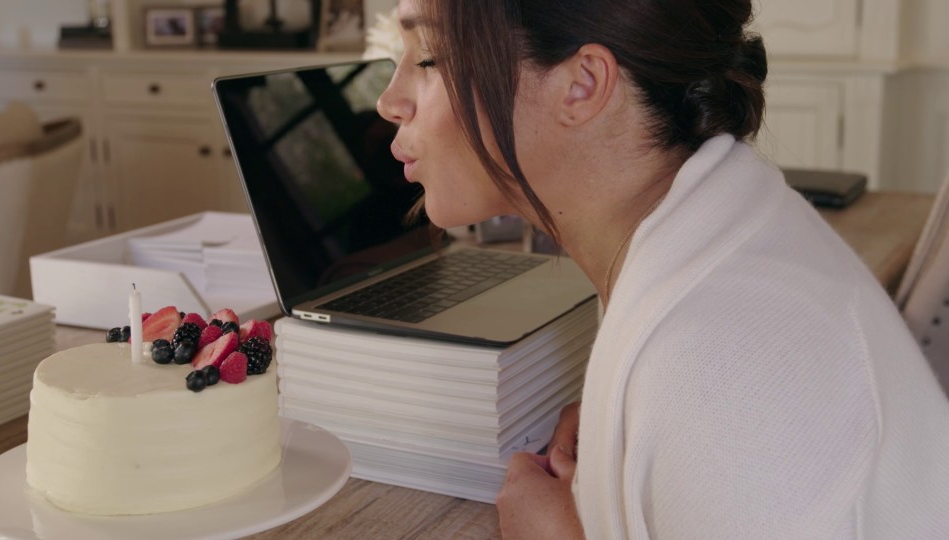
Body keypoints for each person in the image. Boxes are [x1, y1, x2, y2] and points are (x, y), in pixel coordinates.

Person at [376, 0, 949, 538]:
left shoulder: (722, 369)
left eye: (430, 57)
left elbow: (728, 413)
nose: (389, 101)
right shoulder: (702, 241)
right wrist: (628, 436)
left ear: (582, 85)